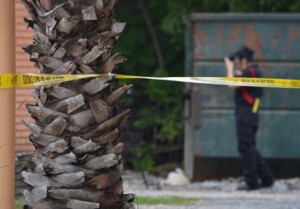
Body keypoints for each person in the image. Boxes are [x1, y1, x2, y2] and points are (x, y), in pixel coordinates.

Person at [224, 46, 275, 190]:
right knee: (249, 147)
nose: (236, 64)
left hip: (247, 114)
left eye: (238, 61)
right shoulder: (252, 72)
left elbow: (231, 83)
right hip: (249, 113)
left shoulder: (252, 72)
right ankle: (267, 177)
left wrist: (229, 67)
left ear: (244, 60)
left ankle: (252, 182)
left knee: (245, 147)